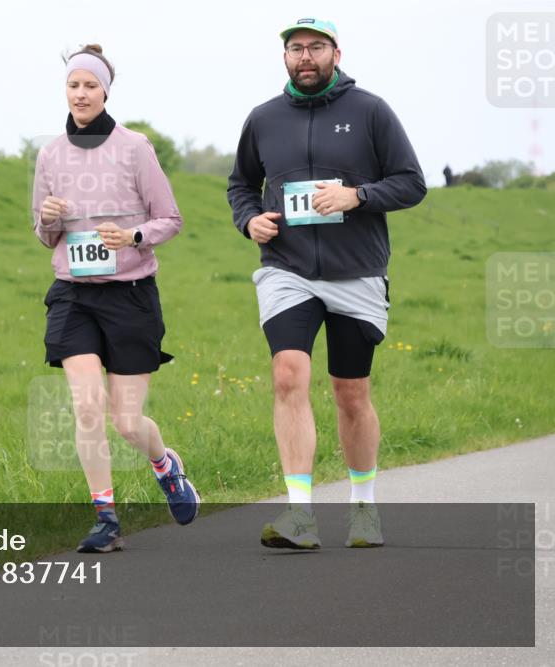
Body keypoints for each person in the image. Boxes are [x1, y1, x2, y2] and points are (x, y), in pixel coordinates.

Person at [227, 19, 426, 549]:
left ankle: (363, 507)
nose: (305, 57)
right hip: (285, 268)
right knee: (288, 375)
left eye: (316, 47)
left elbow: (412, 183)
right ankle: (300, 515)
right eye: (296, 48)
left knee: (350, 392)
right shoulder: (264, 118)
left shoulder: (371, 112)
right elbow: (242, 184)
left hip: (356, 271)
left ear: (337, 53)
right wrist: (249, 220)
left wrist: (357, 196)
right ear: (285, 57)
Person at [33, 44, 200, 553]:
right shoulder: (50, 153)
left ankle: (164, 464)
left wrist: (132, 239)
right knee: (87, 407)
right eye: (72, 85)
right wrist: (50, 218)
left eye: (89, 85)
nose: (80, 93)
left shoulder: (135, 148)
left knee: (127, 423)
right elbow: (43, 235)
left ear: (106, 90)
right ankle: (105, 517)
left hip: (129, 296)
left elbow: (170, 219)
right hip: (74, 296)